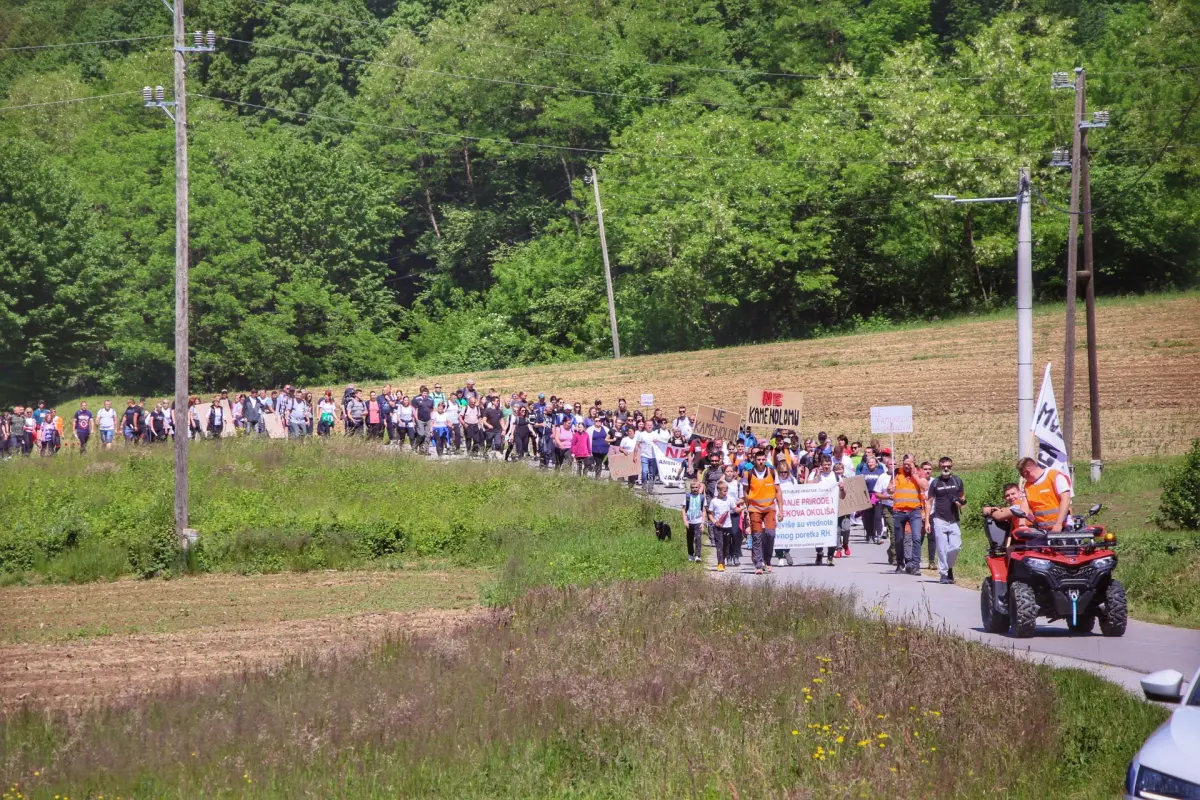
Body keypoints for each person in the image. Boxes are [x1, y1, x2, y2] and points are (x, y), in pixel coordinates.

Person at [928, 456, 966, 584]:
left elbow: (962, 497)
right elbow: (929, 502)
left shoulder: (957, 481)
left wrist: (960, 503)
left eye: (948, 466)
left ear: (951, 467)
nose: (946, 468)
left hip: (954, 519)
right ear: (939, 467)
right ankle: (944, 574)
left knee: (956, 547)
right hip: (939, 519)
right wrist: (927, 521)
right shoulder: (935, 483)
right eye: (943, 466)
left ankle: (949, 567)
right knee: (941, 548)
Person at [743, 450, 781, 575]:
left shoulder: (772, 472)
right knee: (757, 536)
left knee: (770, 534)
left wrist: (781, 510)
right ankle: (758, 564)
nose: (761, 462)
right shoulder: (748, 474)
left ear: (766, 460)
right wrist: (747, 509)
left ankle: (767, 559)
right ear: (754, 460)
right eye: (758, 460)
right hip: (755, 508)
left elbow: (778, 491)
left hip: (769, 508)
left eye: (763, 459)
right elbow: (745, 492)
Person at [891, 454, 929, 576]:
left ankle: (915, 565)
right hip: (899, 511)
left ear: (914, 463)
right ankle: (900, 563)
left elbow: (925, 486)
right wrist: (890, 489)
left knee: (916, 537)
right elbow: (889, 488)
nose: (907, 466)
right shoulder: (896, 472)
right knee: (899, 539)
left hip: (915, 511)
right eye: (905, 464)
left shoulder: (919, 473)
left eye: (909, 464)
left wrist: (914, 475)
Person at [1017, 457, 1073, 531]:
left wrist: (1058, 524)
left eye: (1023, 476)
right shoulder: (1027, 486)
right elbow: (1024, 504)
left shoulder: (1055, 476)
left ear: (1026, 472)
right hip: (1042, 530)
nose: (1024, 478)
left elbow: (1066, 499)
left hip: (1062, 527)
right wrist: (1022, 524)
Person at [707, 480, 736, 572]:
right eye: (724, 491)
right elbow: (710, 514)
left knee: (726, 546)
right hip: (718, 527)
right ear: (718, 491)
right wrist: (715, 522)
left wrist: (744, 507)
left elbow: (735, 509)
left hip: (727, 526)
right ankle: (720, 563)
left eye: (726, 491)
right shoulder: (714, 501)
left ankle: (723, 560)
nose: (725, 493)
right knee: (719, 545)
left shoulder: (729, 500)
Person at [682, 479, 707, 563]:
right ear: (690, 488)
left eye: (696, 487)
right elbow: (683, 509)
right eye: (693, 487)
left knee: (698, 538)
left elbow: (704, 511)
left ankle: (698, 555)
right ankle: (690, 554)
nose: (694, 489)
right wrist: (685, 521)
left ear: (699, 487)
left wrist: (703, 523)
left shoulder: (702, 497)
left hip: (698, 521)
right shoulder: (687, 497)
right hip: (689, 521)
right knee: (690, 539)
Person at [412, 386, 434, 451]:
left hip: (428, 420)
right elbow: (415, 409)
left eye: (426, 393)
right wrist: (416, 419)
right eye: (424, 393)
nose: (425, 394)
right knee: (421, 434)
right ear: (421, 393)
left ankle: (426, 449)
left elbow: (432, 409)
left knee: (428, 435)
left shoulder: (430, 400)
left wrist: (431, 419)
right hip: (420, 420)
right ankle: (415, 446)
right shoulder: (417, 399)